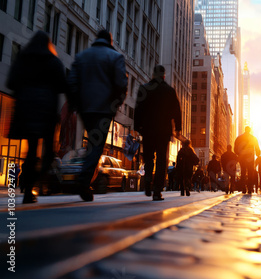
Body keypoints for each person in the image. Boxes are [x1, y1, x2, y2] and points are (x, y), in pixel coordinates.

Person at [6, 31, 69, 203]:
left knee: (31, 150)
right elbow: (63, 85)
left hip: (25, 110)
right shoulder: (53, 61)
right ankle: (34, 183)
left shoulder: (23, 59)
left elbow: (10, 82)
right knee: (49, 154)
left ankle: (27, 188)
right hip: (47, 111)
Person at [68, 30, 128, 201]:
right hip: (103, 109)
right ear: (110, 41)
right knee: (95, 146)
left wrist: (75, 104)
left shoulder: (81, 57)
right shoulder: (115, 57)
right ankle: (83, 181)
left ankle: (84, 180)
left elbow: (72, 82)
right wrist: (116, 104)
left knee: (91, 144)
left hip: (85, 108)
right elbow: (121, 84)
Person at [134, 65, 182, 201]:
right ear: (164, 76)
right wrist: (177, 128)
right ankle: (157, 191)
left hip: (148, 130)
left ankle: (148, 179)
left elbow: (138, 108)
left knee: (148, 157)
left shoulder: (144, 88)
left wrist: (137, 126)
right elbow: (177, 111)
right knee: (162, 160)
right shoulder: (169, 91)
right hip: (163, 131)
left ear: (153, 75)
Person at [234, 126, 261, 194]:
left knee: (243, 173)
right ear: (249, 130)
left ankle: (243, 188)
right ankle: (249, 188)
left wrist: (238, 154)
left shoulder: (239, 138)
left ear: (245, 130)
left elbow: (235, 148)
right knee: (250, 173)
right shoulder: (253, 138)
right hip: (250, 158)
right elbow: (257, 147)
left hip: (242, 158)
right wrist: (258, 153)